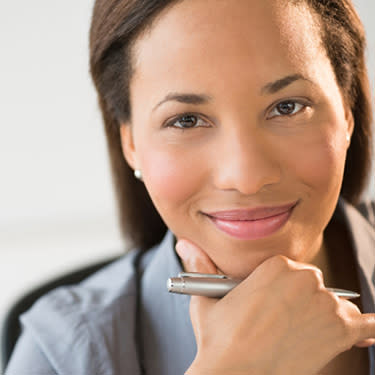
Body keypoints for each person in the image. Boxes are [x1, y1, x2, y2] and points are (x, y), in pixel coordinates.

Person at [5, 0, 375, 374]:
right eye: (186, 120)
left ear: (346, 112)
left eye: (288, 107)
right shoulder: (58, 357)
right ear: (130, 143)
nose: (246, 178)